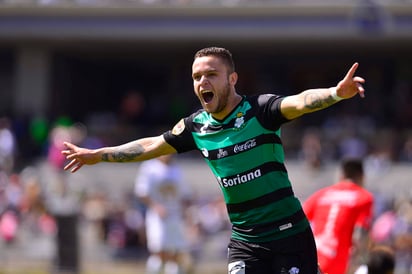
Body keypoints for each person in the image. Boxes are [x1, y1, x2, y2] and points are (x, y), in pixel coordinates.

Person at [62, 46, 366, 274]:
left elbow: (299, 102)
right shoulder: (196, 126)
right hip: (246, 241)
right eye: (197, 76)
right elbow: (152, 145)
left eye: (211, 74)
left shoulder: (260, 110)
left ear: (232, 79)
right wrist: (97, 155)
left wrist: (336, 93)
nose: (202, 81)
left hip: (289, 234)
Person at [303, 159, 374, 274]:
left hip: (313, 259)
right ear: (362, 177)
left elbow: (298, 221)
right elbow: (360, 236)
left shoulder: (320, 195)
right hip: (338, 262)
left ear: (341, 175)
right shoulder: (364, 197)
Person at [134, 154, 191, 274]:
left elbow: (185, 194)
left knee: (176, 251)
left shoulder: (176, 169)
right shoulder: (149, 167)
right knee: (159, 250)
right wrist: (156, 206)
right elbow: (142, 191)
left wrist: (185, 210)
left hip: (175, 214)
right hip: (158, 216)